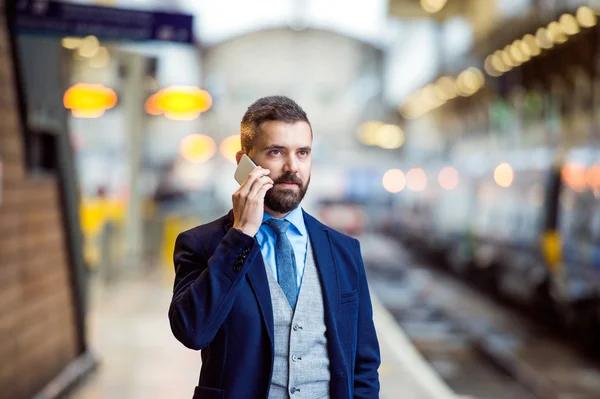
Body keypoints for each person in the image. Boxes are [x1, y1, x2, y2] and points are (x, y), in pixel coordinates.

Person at [169, 96, 380, 399]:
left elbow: (364, 364)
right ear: (244, 161)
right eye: (276, 152)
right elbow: (193, 331)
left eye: (303, 153)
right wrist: (241, 235)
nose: (292, 167)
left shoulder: (344, 251)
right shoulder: (202, 244)